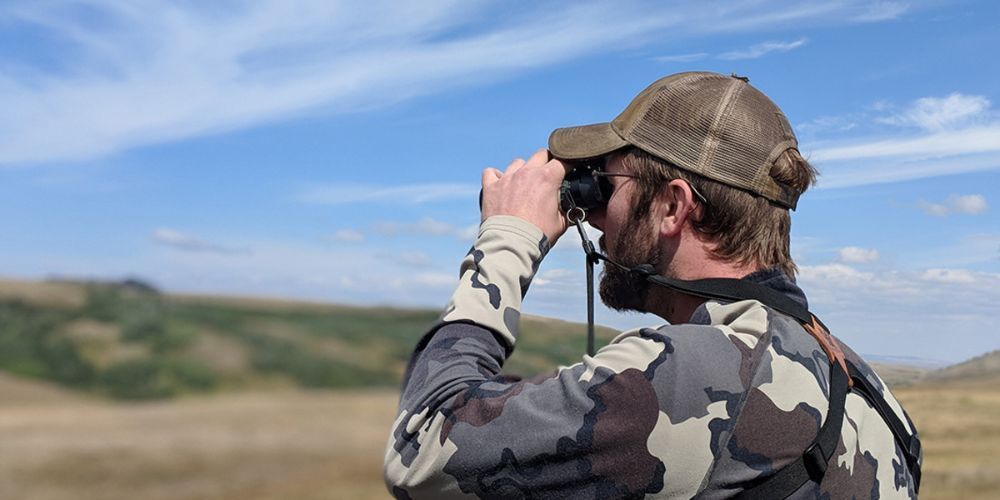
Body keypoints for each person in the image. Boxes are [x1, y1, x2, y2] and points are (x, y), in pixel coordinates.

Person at [383, 71, 921, 499]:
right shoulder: (866, 389)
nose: (592, 217)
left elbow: (421, 450)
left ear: (672, 206)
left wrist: (507, 238)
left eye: (606, 187)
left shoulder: (695, 373)